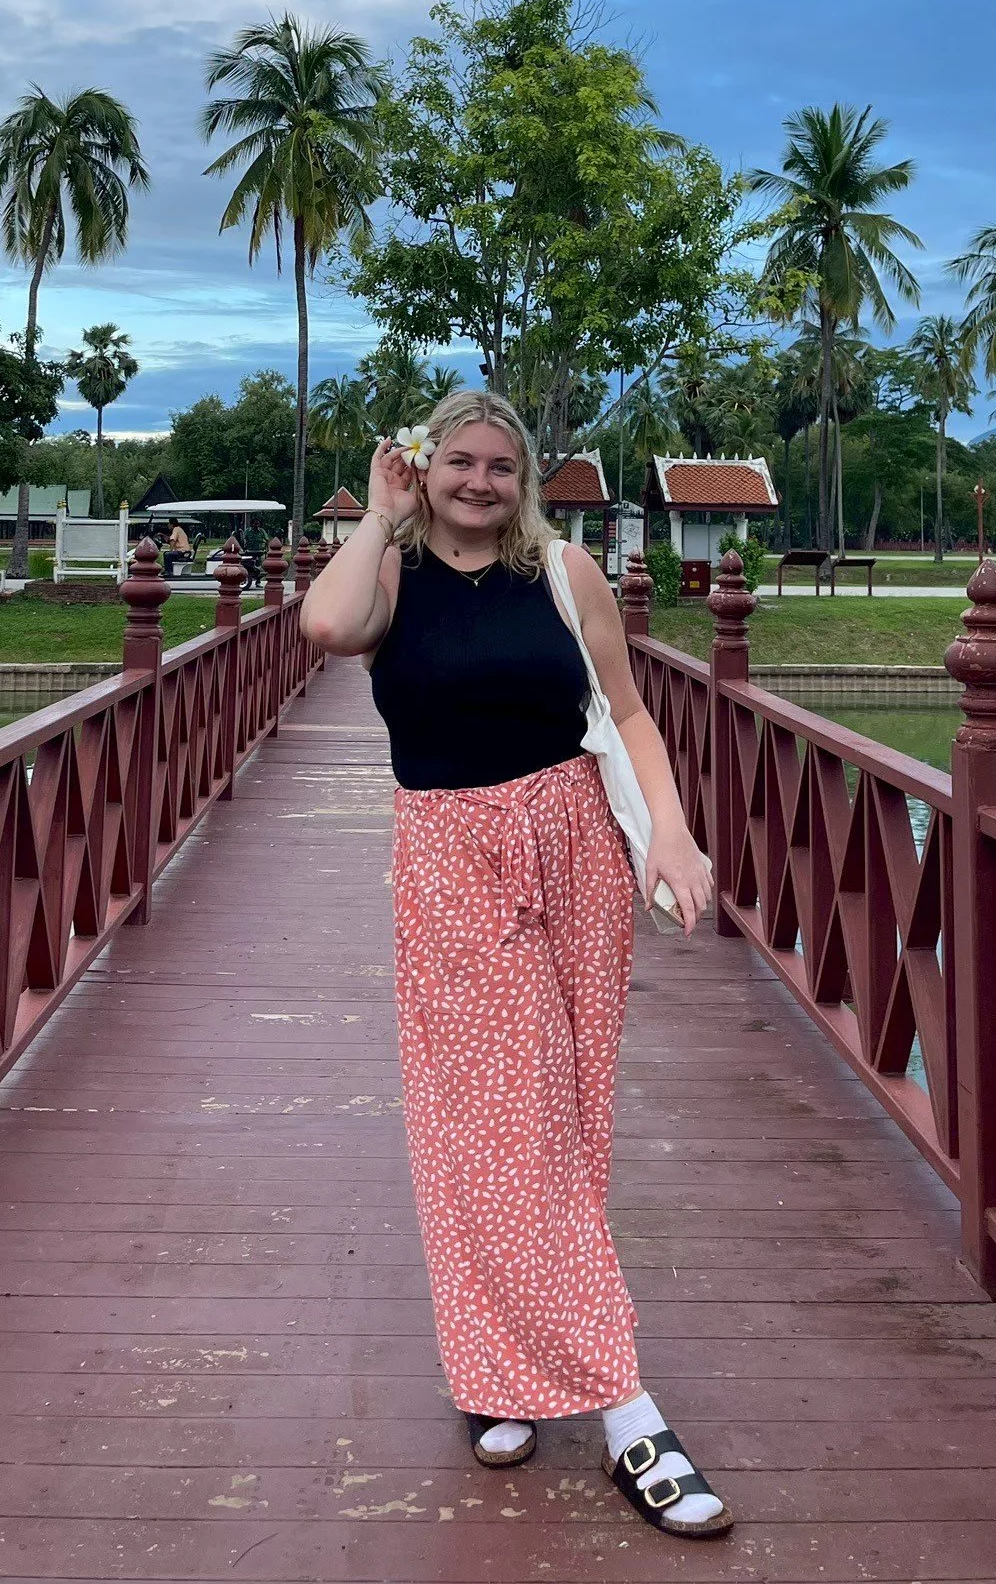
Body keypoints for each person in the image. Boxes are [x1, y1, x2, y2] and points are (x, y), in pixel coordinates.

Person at [298, 389, 732, 1538]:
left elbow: (630, 715)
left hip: (577, 842)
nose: (478, 482)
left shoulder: (565, 576)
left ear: (524, 476)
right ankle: (627, 1411)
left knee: (567, 1117)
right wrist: (374, 515)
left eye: (499, 466)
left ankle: (500, 1371)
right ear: (425, 468)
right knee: (502, 1122)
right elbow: (323, 631)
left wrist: (673, 837)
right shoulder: (390, 576)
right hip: (450, 854)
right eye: (457, 464)